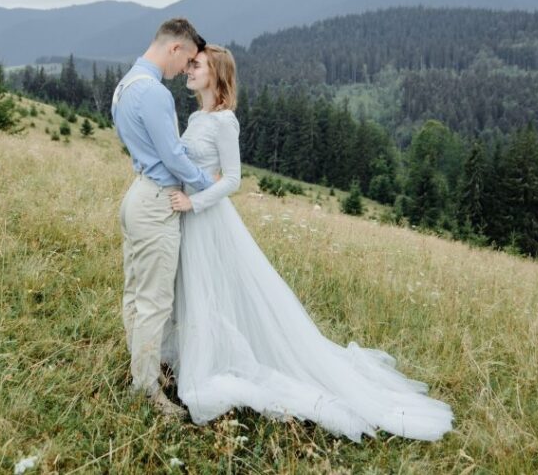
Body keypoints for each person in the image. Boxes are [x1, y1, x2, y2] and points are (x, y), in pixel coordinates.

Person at [163, 45, 454, 442]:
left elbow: (233, 179)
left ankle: (219, 361)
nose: (188, 70)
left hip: (207, 218)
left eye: (197, 65)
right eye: (190, 65)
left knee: (217, 287)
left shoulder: (224, 121)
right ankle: (199, 350)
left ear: (217, 74)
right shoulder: (197, 115)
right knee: (197, 287)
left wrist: (193, 202)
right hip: (192, 218)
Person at [111, 17, 214, 418]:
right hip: (156, 201)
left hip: (137, 192)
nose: (184, 70)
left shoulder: (126, 85)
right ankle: (148, 388)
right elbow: (172, 156)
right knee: (155, 299)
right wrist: (207, 185)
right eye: (186, 59)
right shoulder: (153, 92)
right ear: (175, 48)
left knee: (135, 289)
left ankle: (142, 367)